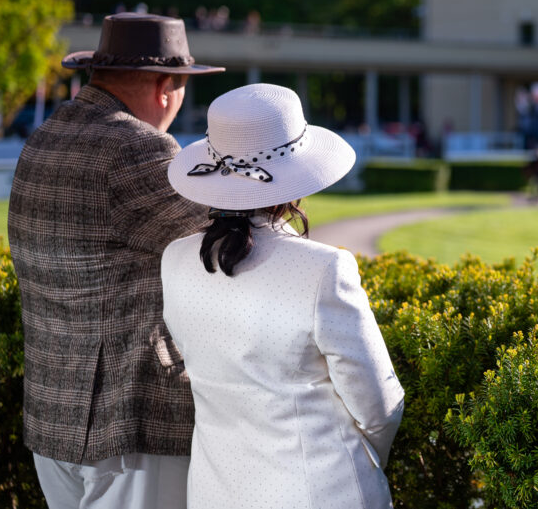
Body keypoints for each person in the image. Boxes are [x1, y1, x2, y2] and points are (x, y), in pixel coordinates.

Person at [7, 13, 225, 509]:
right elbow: (228, 241)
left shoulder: (44, 137)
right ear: (166, 88)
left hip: (52, 417)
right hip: (128, 425)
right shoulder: (137, 147)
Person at [161, 84, 404, 509]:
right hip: (321, 491)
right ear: (296, 179)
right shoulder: (324, 269)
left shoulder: (175, 259)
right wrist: (362, 462)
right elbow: (379, 406)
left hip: (215, 492)